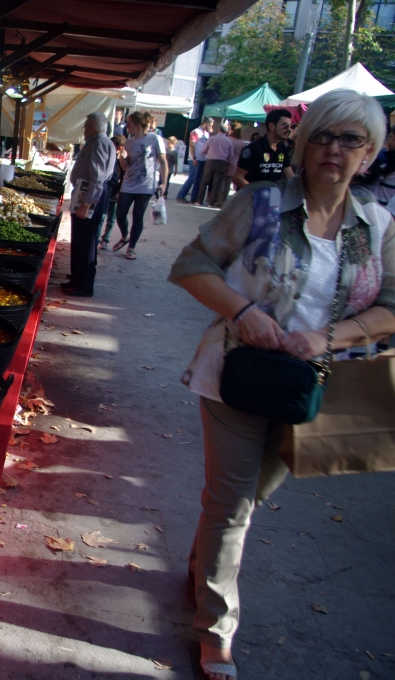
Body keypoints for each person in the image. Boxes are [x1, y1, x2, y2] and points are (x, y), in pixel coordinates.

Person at [168, 88, 395, 680]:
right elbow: (191, 264)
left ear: (370, 153)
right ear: (302, 144)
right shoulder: (261, 203)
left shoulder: (378, 225)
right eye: (323, 135)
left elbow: (393, 307)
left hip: (311, 389)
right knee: (233, 505)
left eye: (351, 139)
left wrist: (329, 337)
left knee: (244, 500)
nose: (334, 149)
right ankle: (215, 631)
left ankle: (201, 565)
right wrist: (244, 312)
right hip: (236, 374)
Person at [62, 112, 116, 297]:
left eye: (85, 127)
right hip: (85, 194)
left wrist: (87, 204)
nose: (84, 131)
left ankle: (83, 284)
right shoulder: (98, 143)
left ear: (91, 127)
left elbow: (97, 178)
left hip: (89, 197)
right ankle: (77, 277)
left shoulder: (99, 144)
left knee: (86, 241)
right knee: (79, 239)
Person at [112, 111, 168, 260]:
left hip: (146, 184)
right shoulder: (129, 142)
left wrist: (164, 183)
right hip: (128, 182)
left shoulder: (154, 139)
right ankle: (125, 236)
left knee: (138, 215)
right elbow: (126, 166)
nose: (127, 126)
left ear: (137, 124)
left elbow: (163, 161)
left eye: (129, 123)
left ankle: (132, 248)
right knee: (120, 213)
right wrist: (122, 158)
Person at [233, 109, 295, 188]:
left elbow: (289, 176)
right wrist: (257, 192)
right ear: (272, 126)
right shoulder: (254, 149)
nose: (289, 130)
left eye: (290, 126)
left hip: (272, 194)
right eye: (285, 126)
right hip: (250, 195)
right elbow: (237, 177)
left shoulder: (282, 149)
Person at [196, 122, 238, 207]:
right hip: (222, 163)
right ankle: (211, 203)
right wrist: (228, 164)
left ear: (219, 129)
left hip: (210, 161)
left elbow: (203, 150)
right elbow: (231, 156)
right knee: (216, 183)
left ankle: (199, 200)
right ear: (226, 131)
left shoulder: (212, 139)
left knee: (204, 181)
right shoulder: (229, 141)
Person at [99, 134, 128, 250]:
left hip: (115, 194)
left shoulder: (123, 160)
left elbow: (125, 174)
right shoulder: (107, 156)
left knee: (111, 219)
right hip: (107, 192)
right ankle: (97, 239)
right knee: (102, 217)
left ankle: (105, 239)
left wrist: (123, 160)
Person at [177, 116, 214, 203]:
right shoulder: (195, 132)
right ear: (206, 123)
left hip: (203, 159)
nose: (211, 127)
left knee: (199, 180)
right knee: (192, 178)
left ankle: (194, 198)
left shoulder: (206, 134)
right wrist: (193, 158)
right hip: (195, 158)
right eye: (210, 125)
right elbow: (191, 145)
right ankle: (181, 195)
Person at [220, 123, 246, 206]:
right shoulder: (241, 142)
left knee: (222, 182)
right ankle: (224, 200)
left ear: (233, 130)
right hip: (236, 163)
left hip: (226, 162)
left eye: (230, 129)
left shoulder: (227, 140)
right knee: (228, 184)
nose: (228, 130)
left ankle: (219, 200)